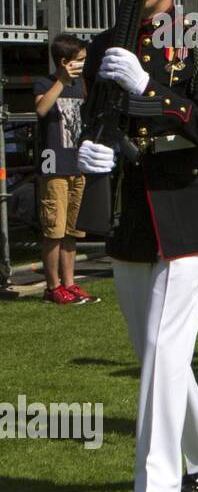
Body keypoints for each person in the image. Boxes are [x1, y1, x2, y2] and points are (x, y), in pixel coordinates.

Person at [76, 0, 198, 492]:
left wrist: (151, 89)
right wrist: (101, 150)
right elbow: (100, 119)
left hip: (185, 207)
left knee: (167, 350)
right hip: (132, 210)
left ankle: (156, 487)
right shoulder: (105, 41)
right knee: (152, 350)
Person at [34, 34, 95, 304]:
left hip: (77, 164)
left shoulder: (82, 86)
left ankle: (70, 284)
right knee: (54, 231)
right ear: (64, 61)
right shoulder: (46, 83)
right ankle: (52, 286)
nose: (82, 65)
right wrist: (61, 80)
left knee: (72, 230)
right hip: (54, 165)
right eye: (78, 61)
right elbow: (42, 108)